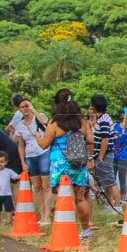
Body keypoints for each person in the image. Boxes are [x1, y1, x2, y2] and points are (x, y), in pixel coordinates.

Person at [35, 89, 94, 240]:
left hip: (60, 162)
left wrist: (37, 136)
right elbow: (90, 140)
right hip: (79, 162)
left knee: (64, 197)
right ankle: (86, 230)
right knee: (80, 198)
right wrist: (89, 158)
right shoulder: (81, 120)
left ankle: (67, 229)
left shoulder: (54, 122)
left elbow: (43, 144)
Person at [13, 97, 52, 224]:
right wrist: (23, 162)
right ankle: (42, 215)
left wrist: (32, 109)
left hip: (43, 152)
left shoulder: (38, 117)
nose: (25, 109)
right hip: (30, 155)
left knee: (46, 185)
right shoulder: (20, 126)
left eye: (26, 106)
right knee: (37, 186)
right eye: (22, 107)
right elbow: (20, 145)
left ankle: (48, 216)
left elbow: (44, 121)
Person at [87, 94, 121, 211]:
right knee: (105, 181)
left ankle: (117, 205)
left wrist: (100, 156)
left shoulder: (103, 121)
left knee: (110, 181)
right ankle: (109, 204)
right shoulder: (102, 119)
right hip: (101, 155)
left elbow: (105, 139)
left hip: (105, 155)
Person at [0, 151, 20, 224]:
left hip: (7, 194)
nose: (0, 164)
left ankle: (9, 221)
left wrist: (23, 174)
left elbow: (16, 177)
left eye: (2, 162)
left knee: (9, 208)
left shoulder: (8, 171)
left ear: (6, 162)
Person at [110, 111, 127, 203]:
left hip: (124, 157)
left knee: (122, 178)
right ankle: (111, 199)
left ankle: (122, 199)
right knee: (112, 178)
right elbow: (108, 136)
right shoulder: (115, 126)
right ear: (123, 115)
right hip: (113, 155)